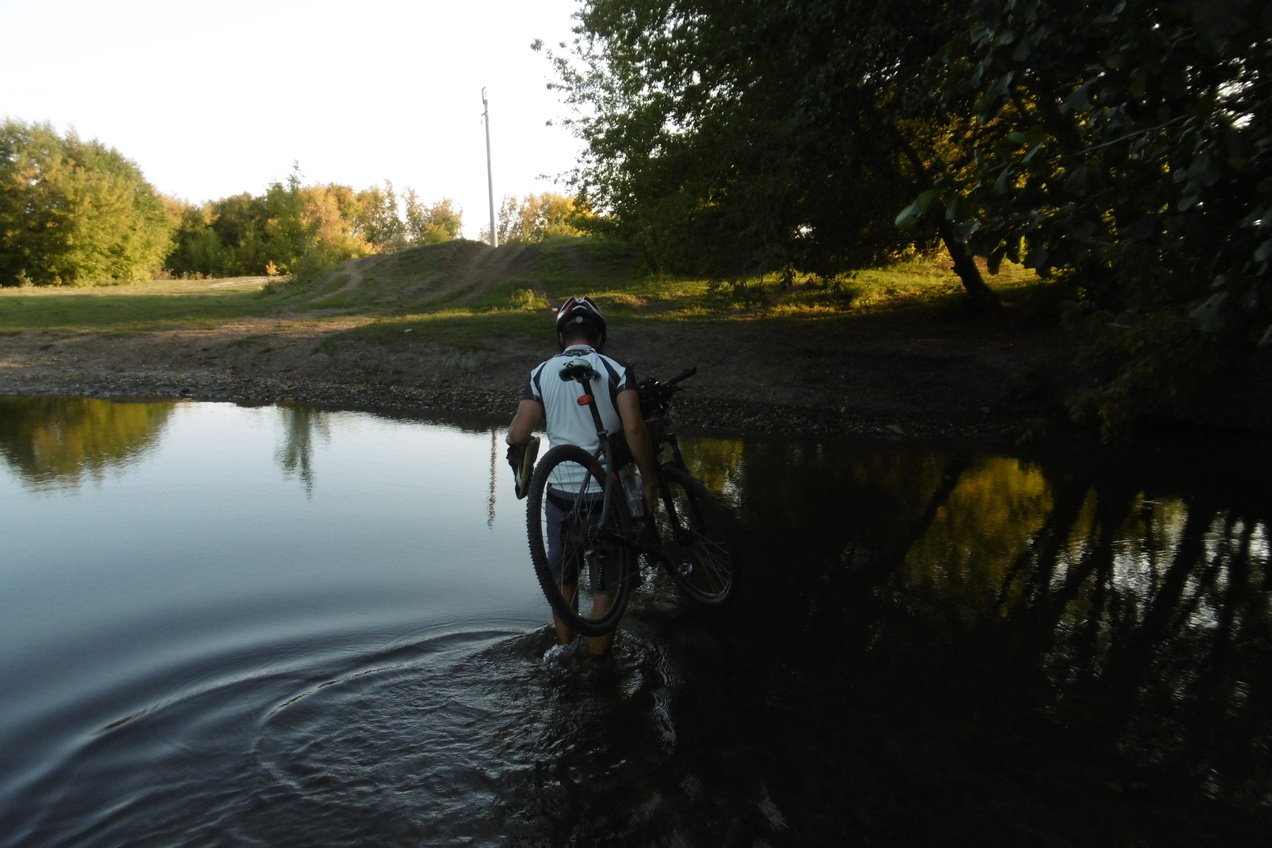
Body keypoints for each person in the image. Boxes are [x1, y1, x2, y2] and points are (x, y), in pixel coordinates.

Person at [506, 296, 659, 658]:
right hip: (607, 497)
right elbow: (635, 429)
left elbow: (517, 434)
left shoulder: (541, 373)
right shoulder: (616, 369)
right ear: (600, 336)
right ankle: (597, 670)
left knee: (563, 582)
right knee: (607, 587)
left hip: (558, 493)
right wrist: (650, 481)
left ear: (562, 337)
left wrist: (523, 438)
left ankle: (564, 658)